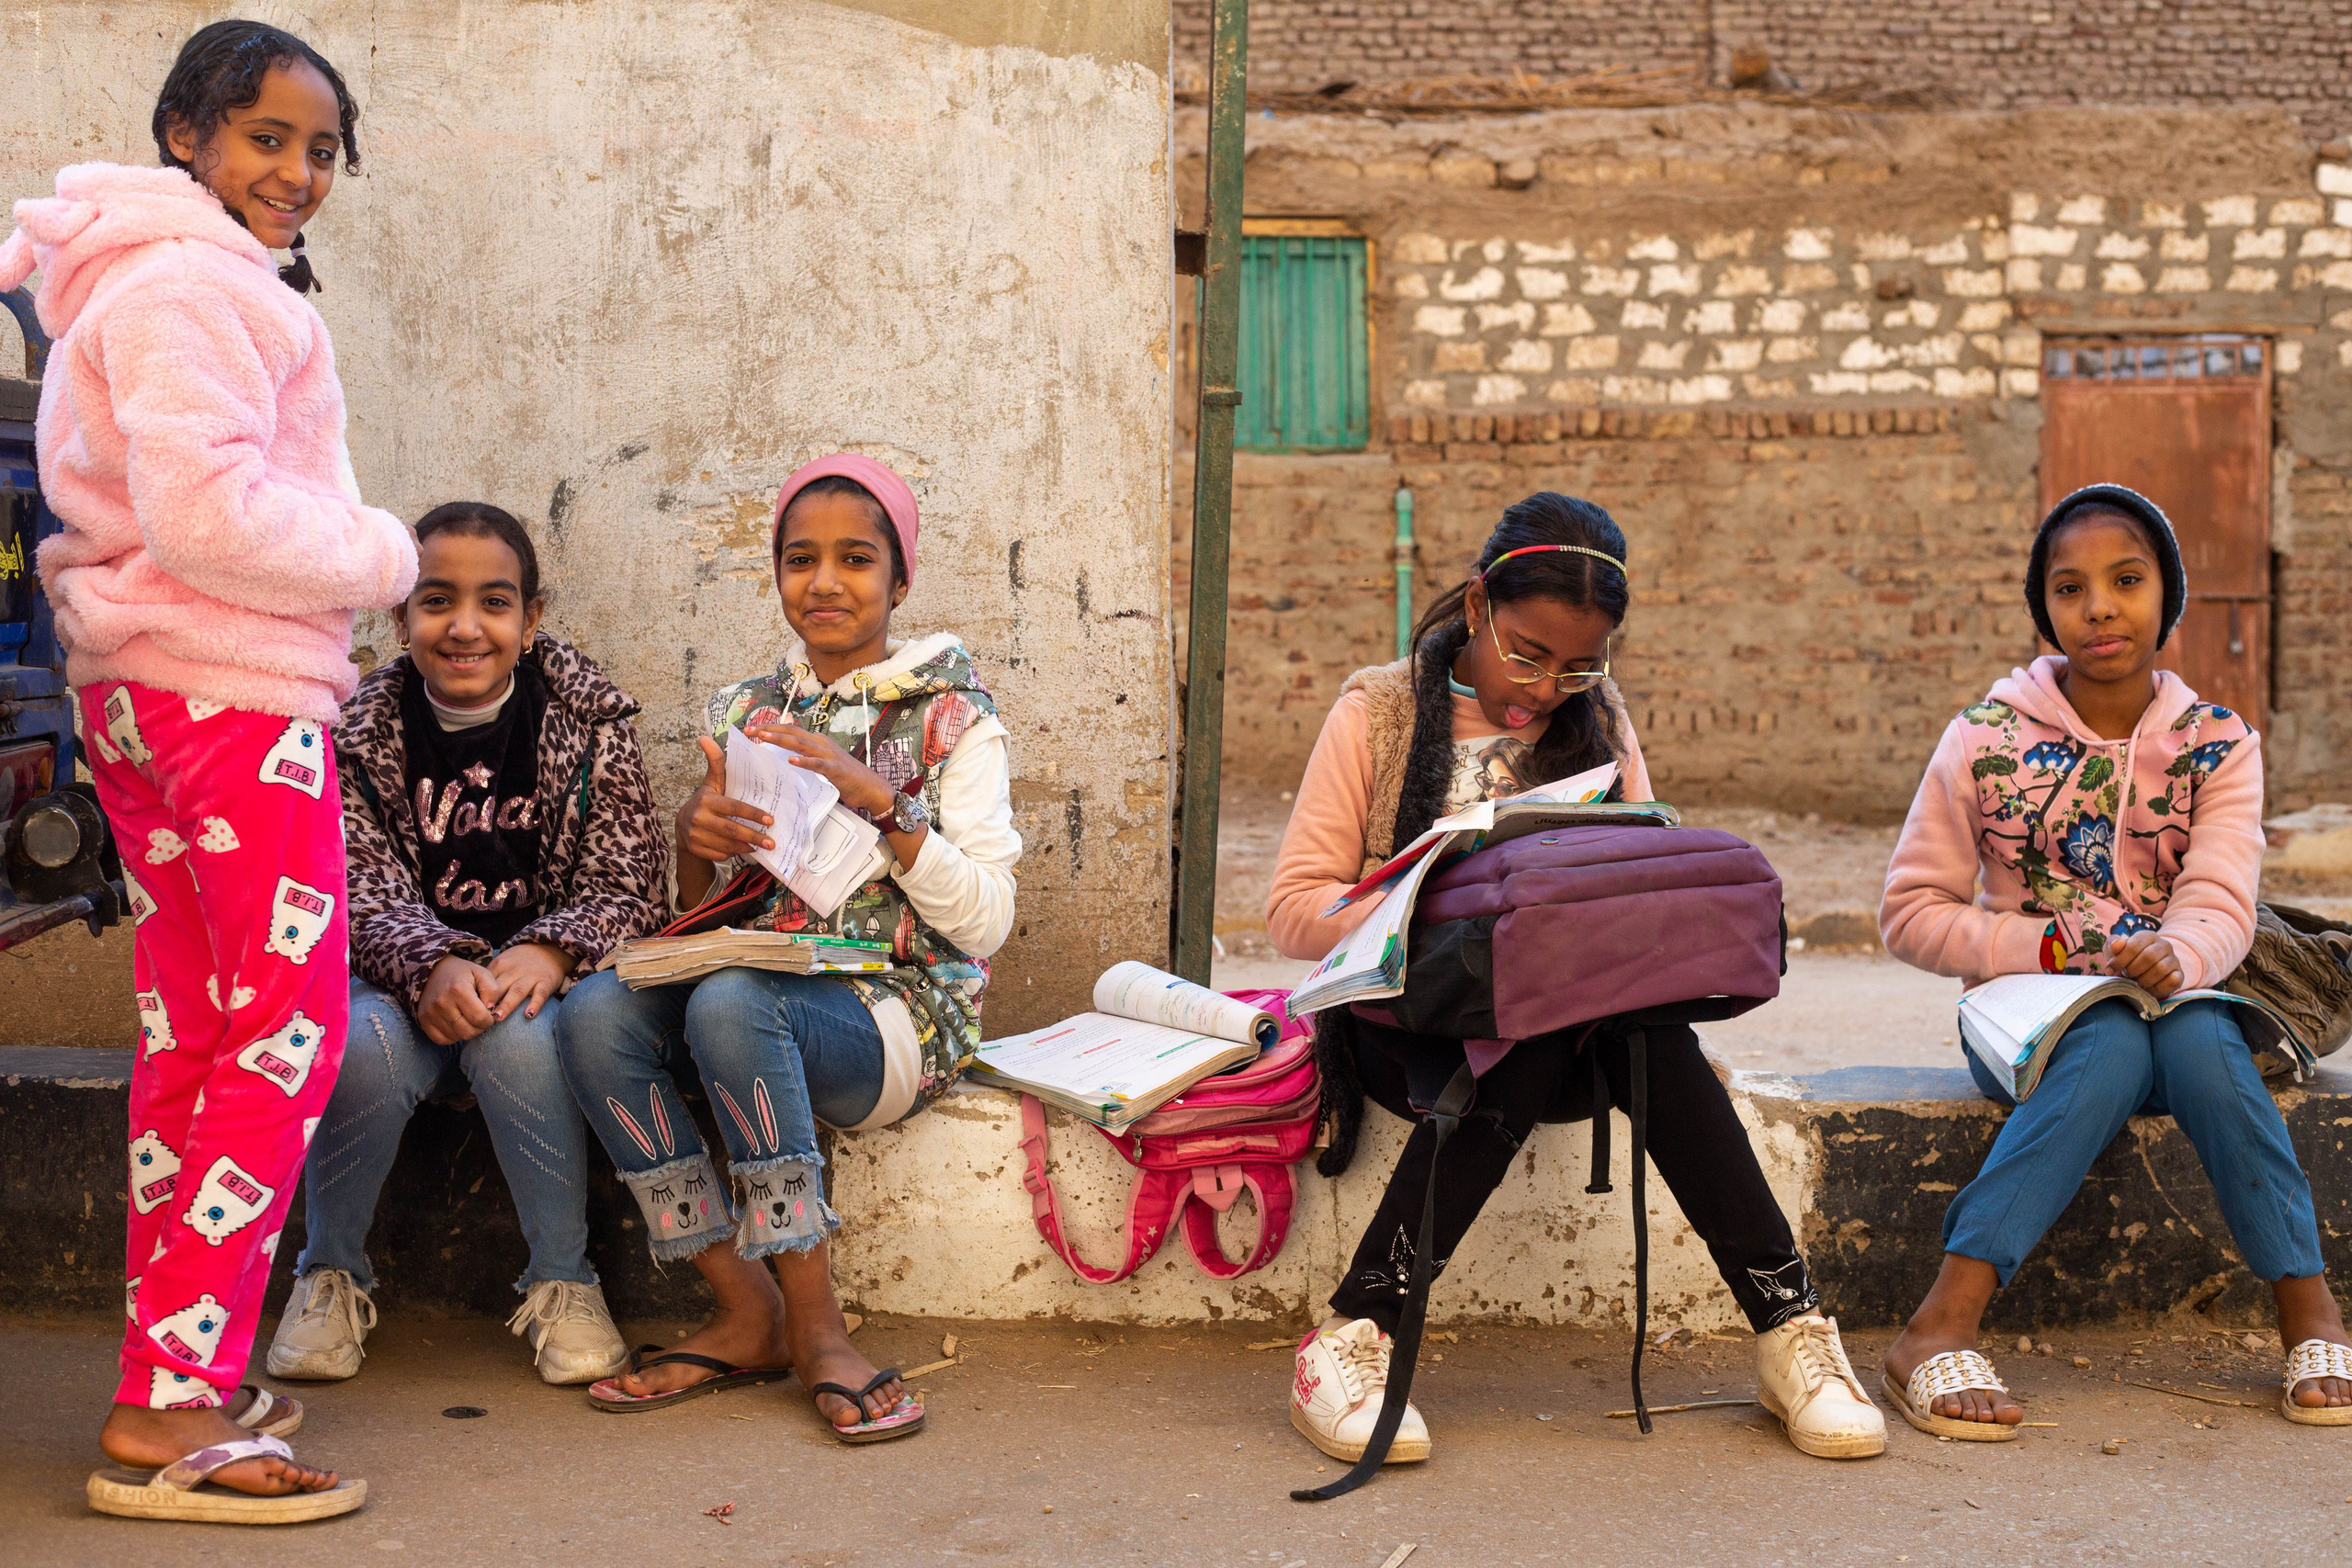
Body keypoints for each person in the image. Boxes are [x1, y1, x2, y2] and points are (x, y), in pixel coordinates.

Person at [2, 19, 415, 1520]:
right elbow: (211, 513)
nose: (300, 172)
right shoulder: (188, 282)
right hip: (220, 690)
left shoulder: (139, 273)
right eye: (268, 138)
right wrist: (387, 554)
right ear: (187, 132)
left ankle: (175, 1371)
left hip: (148, 690)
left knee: (199, 1035)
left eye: (320, 149)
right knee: (284, 1034)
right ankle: (172, 1407)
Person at [1267, 492, 1884, 1465]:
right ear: (1476, 605)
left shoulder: (1601, 719)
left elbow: (1633, 892)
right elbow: (1296, 908)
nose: (1545, 689)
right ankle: (1353, 1338)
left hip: (1563, 1038)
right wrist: (1427, 903)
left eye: (1579, 665)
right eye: (1525, 653)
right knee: (1527, 1004)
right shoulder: (1378, 713)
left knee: (1599, 1016)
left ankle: (1791, 1333)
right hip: (1415, 1037)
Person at [557, 454, 1020, 1442]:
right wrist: (697, 843)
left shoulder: (953, 719)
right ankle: (743, 1305)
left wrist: (881, 801)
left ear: (901, 580)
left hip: (900, 1017)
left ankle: (818, 1327)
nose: (824, 582)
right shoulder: (747, 711)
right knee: (593, 1016)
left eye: (856, 559)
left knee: (731, 1003)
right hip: (757, 991)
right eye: (799, 559)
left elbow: (982, 924)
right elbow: (711, 917)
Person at [1879, 483, 2352, 1436]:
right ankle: (1937, 1326)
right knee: (2105, 1044)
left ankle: (2308, 1307)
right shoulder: (1983, 739)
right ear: (2044, 608)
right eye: (2069, 587)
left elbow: (2220, 896)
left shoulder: (2217, 745)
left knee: (2199, 1041)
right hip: (2026, 1009)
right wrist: (2045, 943)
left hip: (2181, 995)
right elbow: (1910, 912)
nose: (2098, 605)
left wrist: (2176, 959)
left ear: (2164, 597)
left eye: (2125, 580)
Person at [265, 503, 666, 1387]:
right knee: (357, 1045)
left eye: (494, 602)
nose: (465, 626)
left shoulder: (590, 723)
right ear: (398, 617)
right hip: (400, 997)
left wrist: (554, 950)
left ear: (532, 619)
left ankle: (564, 1278)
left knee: (516, 1032)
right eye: (436, 600)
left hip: (531, 998)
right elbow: (342, 882)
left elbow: (631, 882)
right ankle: (327, 1272)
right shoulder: (353, 732)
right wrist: (430, 962)